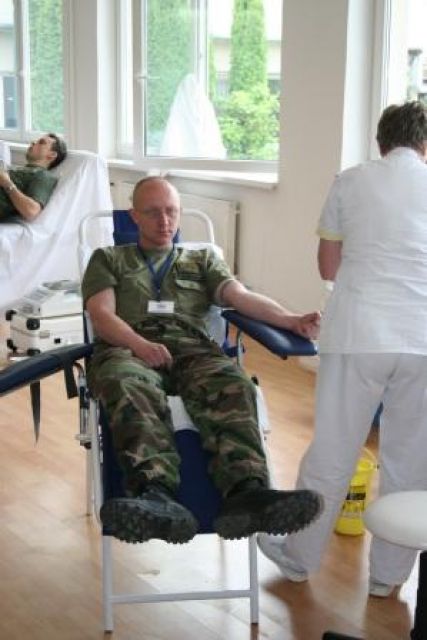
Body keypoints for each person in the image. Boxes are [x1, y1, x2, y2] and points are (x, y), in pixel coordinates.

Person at [81, 175, 323, 545]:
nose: (164, 221)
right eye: (153, 212)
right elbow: (101, 315)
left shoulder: (202, 259)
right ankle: (155, 496)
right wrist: (140, 345)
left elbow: (240, 297)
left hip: (193, 348)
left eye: (171, 211)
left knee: (234, 384)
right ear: (134, 216)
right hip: (127, 347)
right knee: (126, 384)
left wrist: (291, 320)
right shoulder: (109, 258)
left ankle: (246, 493)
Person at [258, 101, 427, 598]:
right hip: (422, 340)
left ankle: (298, 558)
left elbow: (328, 268)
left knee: (333, 451)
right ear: (424, 144)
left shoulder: (350, 181)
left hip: (359, 334)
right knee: (408, 459)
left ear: (380, 142)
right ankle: (388, 578)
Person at [0, 133, 67, 222]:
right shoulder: (18, 169)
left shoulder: (43, 175)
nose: (33, 143)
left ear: (52, 154)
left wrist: (7, 183)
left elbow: (31, 211)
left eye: (41, 142)